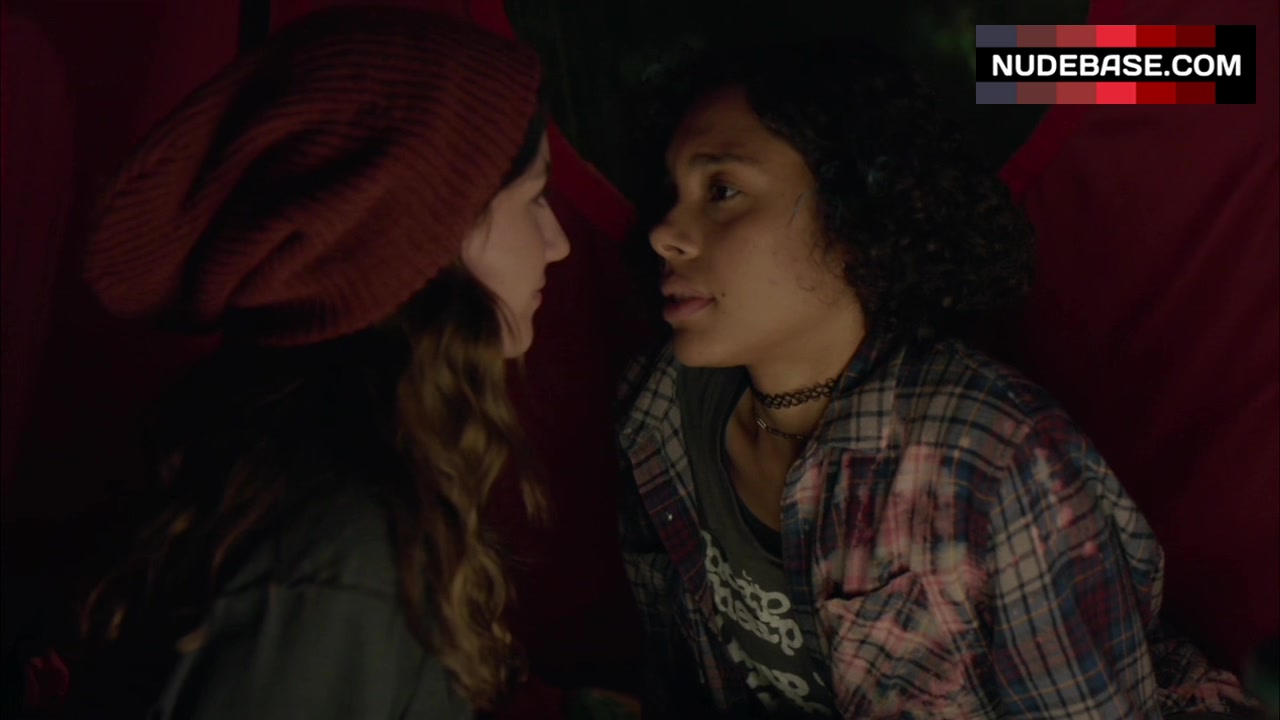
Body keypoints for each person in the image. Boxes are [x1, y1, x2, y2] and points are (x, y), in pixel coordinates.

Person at [616, 42, 1258, 719]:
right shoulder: (656, 410)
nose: (665, 233)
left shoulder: (997, 463)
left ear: (852, 219)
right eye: (672, 194)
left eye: (722, 192)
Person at [69, 7, 570, 719]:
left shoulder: (309, 483)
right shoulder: (337, 558)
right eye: (534, 199)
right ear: (420, 239)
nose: (558, 242)